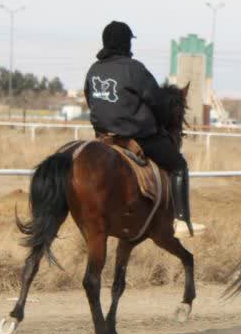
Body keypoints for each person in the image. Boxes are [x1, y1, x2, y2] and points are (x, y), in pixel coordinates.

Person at [83, 20, 194, 234]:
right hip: (137, 137)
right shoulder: (134, 69)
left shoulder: (93, 70)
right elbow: (157, 101)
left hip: (103, 138)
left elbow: (90, 100)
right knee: (179, 165)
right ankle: (181, 220)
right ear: (126, 43)